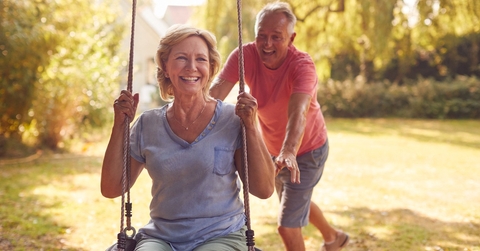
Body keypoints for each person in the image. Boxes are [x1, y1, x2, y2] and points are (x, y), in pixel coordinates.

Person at [101, 24, 275, 251]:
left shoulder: (232, 119)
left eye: (201, 59)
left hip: (221, 235)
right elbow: (111, 188)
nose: (192, 67)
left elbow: (264, 190)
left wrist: (251, 127)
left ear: (211, 67)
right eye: (182, 58)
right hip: (161, 237)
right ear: (165, 65)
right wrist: (120, 125)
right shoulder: (148, 124)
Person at [209, 2, 349, 251]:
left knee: (287, 225)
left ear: (291, 38)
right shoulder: (245, 55)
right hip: (273, 151)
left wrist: (288, 151)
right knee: (293, 201)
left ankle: (331, 237)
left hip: (306, 151)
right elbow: (216, 93)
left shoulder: (302, 65)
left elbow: (299, 112)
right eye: (262, 36)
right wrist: (187, 115)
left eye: (276, 37)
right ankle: (333, 237)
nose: (267, 44)